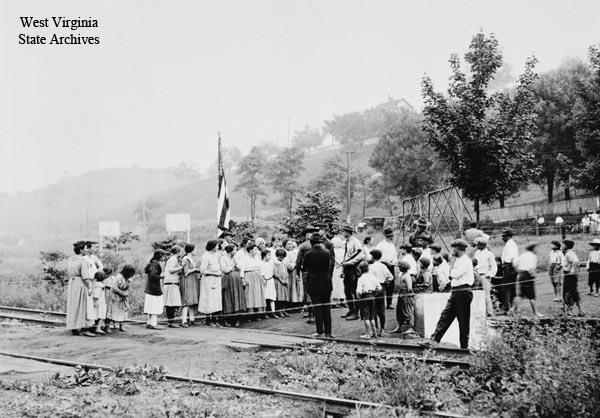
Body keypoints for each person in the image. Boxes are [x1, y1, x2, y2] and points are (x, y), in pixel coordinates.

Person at [428, 239, 474, 349]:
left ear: (459, 249)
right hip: (456, 291)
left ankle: (464, 346)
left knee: (463, 321)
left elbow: (454, 274)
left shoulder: (465, 261)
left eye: (454, 248)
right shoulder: (458, 260)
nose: (453, 250)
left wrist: (452, 264)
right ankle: (434, 340)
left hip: (463, 291)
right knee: (445, 316)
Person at [303, 232, 334, 338]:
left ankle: (319, 331)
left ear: (311, 242)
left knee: (318, 308)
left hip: (313, 283)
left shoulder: (308, 254)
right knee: (327, 308)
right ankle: (328, 332)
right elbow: (330, 265)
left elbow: (305, 267)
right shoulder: (327, 252)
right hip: (326, 282)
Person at [66, 241, 94, 337]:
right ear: (81, 250)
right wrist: (89, 288)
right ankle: (84, 328)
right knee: (83, 305)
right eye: (85, 248)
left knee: (74, 305)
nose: (86, 250)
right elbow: (85, 277)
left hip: (72, 283)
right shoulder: (83, 262)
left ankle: (74, 327)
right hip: (80, 284)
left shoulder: (71, 260)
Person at [512, 242, 543, 317]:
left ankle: (512, 310)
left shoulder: (523, 255)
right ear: (533, 249)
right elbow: (531, 268)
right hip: (527, 275)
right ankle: (536, 312)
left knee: (520, 295)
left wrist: (519, 271)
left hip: (521, 274)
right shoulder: (533, 256)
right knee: (531, 295)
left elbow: (515, 264)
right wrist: (533, 276)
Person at [340, 224, 365, 321]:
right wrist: (343, 268)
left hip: (354, 269)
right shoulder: (346, 242)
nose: (343, 233)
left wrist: (349, 262)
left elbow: (360, 255)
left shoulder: (356, 242)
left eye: (344, 231)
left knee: (354, 290)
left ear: (348, 232)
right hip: (347, 269)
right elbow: (346, 255)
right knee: (347, 291)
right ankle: (351, 309)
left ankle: (356, 312)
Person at [296, 225, 320, 323]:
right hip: (319, 272)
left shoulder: (303, 246)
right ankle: (317, 314)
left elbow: (298, 261)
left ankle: (311, 315)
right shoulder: (321, 246)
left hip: (307, 272)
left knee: (309, 293)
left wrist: (298, 272)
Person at [220, 244, 246, 327]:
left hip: (236, 279)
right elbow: (224, 269)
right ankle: (228, 318)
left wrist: (236, 260)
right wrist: (231, 268)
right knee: (228, 297)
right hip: (228, 279)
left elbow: (239, 267)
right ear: (230, 251)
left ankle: (237, 318)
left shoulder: (235, 258)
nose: (236, 251)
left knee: (237, 296)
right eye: (234, 250)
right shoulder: (223, 258)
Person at [368, 249, 393, 335]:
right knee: (381, 308)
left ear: (372, 257)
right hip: (382, 287)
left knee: (373, 308)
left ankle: (376, 328)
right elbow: (391, 277)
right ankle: (382, 329)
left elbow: (370, 279)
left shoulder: (371, 267)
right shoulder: (383, 266)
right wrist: (386, 281)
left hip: (374, 288)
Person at [199, 239, 223, 326]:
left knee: (215, 300)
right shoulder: (206, 256)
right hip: (209, 280)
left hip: (215, 280)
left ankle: (214, 319)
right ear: (212, 247)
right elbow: (203, 270)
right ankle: (208, 320)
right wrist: (215, 273)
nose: (218, 247)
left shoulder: (214, 255)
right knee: (209, 299)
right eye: (216, 246)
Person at [240, 243, 266, 320]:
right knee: (250, 295)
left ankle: (258, 314)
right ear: (250, 250)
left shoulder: (257, 258)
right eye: (255, 249)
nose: (256, 251)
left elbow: (261, 267)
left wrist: (263, 276)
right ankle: (250, 315)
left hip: (257, 277)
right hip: (249, 276)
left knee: (258, 294)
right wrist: (243, 280)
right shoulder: (245, 258)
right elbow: (242, 270)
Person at [106, 265, 136, 332]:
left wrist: (126, 293)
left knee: (123, 311)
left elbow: (128, 287)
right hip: (115, 296)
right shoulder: (119, 277)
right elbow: (114, 287)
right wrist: (121, 292)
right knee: (111, 311)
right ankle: (107, 326)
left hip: (123, 298)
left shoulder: (127, 279)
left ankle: (121, 326)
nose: (131, 275)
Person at [472, 236, 497, 316]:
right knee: (476, 294)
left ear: (482, 245)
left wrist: (489, 274)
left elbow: (494, 267)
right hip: (476, 275)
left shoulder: (489, 254)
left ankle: (489, 312)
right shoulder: (477, 253)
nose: (476, 246)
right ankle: (478, 312)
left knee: (486, 295)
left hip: (484, 275)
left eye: (477, 245)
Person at [356, 261, 381, 339]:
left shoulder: (361, 279)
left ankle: (368, 334)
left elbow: (358, 291)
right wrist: (375, 294)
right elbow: (379, 287)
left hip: (364, 297)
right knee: (372, 316)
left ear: (360, 270)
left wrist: (359, 296)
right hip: (372, 296)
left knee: (366, 316)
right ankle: (374, 332)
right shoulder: (373, 277)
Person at [394, 261, 417, 337]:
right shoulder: (402, 274)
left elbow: (409, 287)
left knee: (408, 311)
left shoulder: (407, 276)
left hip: (406, 295)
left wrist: (409, 295)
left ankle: (411, 327)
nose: (399, 268)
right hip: (401, 294)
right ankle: (399, 327)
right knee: (399, 311)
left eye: (400, 267)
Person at [144, 249, 166, 330]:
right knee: (154, 306)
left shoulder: (152, 263)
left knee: (150, 306)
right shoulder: (155, 264)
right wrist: (161, 276)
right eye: (163, 255)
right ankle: (153, 323)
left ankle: (149, 323)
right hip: (154, 288)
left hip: (150, 288)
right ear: (160, 256)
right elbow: (153, 275)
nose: (164, 257)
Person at [376, 228, 398, 309]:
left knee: (391, 285)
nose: (392, 237)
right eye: (391, 235)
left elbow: (395, 256)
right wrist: (385, 262)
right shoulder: (380, 245)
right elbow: (377, 257)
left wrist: (394, 262)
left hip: (391, 266)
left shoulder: (392, 246)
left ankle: (389, 303)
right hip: (383, 265)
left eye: (392, 235)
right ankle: (380, 303)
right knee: (382, 284)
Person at [179, 244, 200, 327]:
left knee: (191, 300)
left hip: (192, 280)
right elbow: (186, 272)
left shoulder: (190, 258)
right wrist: (195, 269)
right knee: (187, 299)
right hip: (187, 280)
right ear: (191, 250)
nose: (196, 251)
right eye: (195, 249)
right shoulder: (186, 259)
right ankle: (184, 320)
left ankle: (192, 319)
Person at [163, 245, 183, 328]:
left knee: (172, 303)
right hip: (171, 284)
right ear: (178, 252)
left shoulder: (173, 259)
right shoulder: (173, 259)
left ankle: (171, 321)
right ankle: (171, 322)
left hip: (171, 283)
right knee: (171, 303)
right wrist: (180, 267)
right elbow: (171, 270)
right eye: (181, 251)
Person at [562, 239, 584, 316]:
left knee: (568, 292)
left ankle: (570, 310)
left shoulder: (569, 254)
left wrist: (572, 271)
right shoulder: (568, 253)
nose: (562, 246)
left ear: (566, 246)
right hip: (568, 274)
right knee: (573, 292)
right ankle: (580, 310)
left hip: (570, 275)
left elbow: (576, 261)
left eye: (563, 244)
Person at [500, 228, 518, 313]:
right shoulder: (509, 244)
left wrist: (505, 265)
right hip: (509, 267)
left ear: (508, 236)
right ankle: (513, 307)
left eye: (504, 236)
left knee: (506, 288)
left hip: (509, 267)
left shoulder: (511, 244)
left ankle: (507, 307)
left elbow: (509, 258)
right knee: (511, 288)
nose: (502, 238)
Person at [283, 238, 303, 309]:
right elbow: (288, 265)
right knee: (291, 287)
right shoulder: (284, 253)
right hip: (289, 272)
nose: (290, 246)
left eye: (291, 244)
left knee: (297, 286)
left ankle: (297, 303)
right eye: (288, 244)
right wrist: (295, 263)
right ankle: (290, 304)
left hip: (296, 271)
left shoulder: (294, 252)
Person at [273, 248, 290, 317]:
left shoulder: (284, 263)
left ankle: (283, 310)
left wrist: (286, 279)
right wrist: (282, 280)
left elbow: (286, 272)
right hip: (279, 282)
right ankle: (279, 311)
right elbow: (276, 274)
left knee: (284, 297)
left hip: (284, 282)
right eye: (280, 257)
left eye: (282, 257)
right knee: (279, 297)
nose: (281, 259)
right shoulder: (275, 263)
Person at [260, 249, 277, 318]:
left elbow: (273, 270)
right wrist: (263, 278)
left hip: (271, 280)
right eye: (268, 255)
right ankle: (265, 313)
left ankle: (273, 312)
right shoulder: (261, 263)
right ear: (264, 256)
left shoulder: (271, 263)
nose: (270, 256)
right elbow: (261, 272)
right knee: (265, 297)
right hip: (264, 281)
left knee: (272, 297)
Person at [331, 236, 346, 306]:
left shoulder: (341, 250)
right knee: (337, 284)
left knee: (340, 284)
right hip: (337, 268)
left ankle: (340, 300)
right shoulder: (334, 251)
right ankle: (335, 301)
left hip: (338, 268)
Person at [92, 269, 108, 334]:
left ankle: (96, 327)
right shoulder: (100, 285)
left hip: (99, 301)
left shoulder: (95, 284)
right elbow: (96, 293)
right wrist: (95, 301)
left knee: (97, 315)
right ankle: (98, 328)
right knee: (100, 315)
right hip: (99, 302)